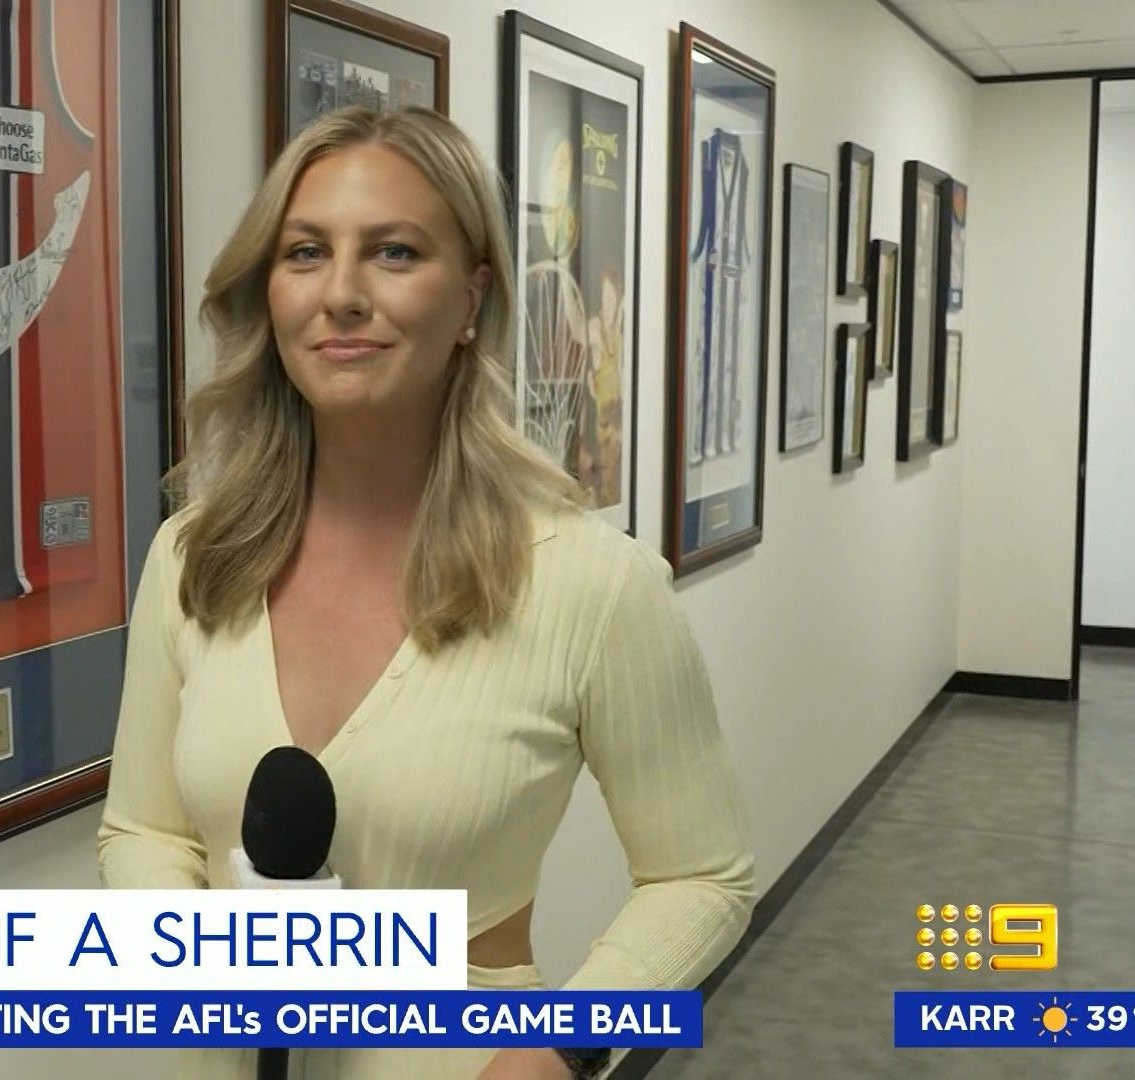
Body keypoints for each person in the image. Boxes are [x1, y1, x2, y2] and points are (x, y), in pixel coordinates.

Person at [97, 106, 754, 1080]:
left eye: (394, 253)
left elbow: (701, 876)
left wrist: (562, 1049)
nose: (342, 294)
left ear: (473, 297)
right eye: (306, 252)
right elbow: (143, 827)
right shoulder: (195, 557)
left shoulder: (592, 585)